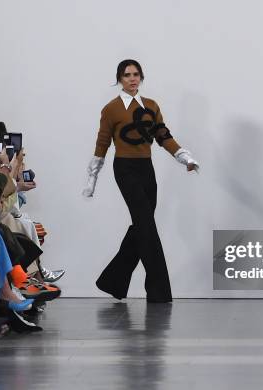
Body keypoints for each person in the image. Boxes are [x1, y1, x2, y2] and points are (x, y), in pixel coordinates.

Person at [83, 59, 199, 303]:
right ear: (120, 79)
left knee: (141, 227)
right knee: (146, 227)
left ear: (141, 77)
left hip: (147, 169)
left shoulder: (151, 106)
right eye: (127, 75)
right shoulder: (111, 109)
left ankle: (112, 280)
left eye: (136, 74)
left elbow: (163, 136)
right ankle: (159, 292)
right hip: (124, 169)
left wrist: (184, 157)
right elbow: (102, 143)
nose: (132, 79)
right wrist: (91, 179)